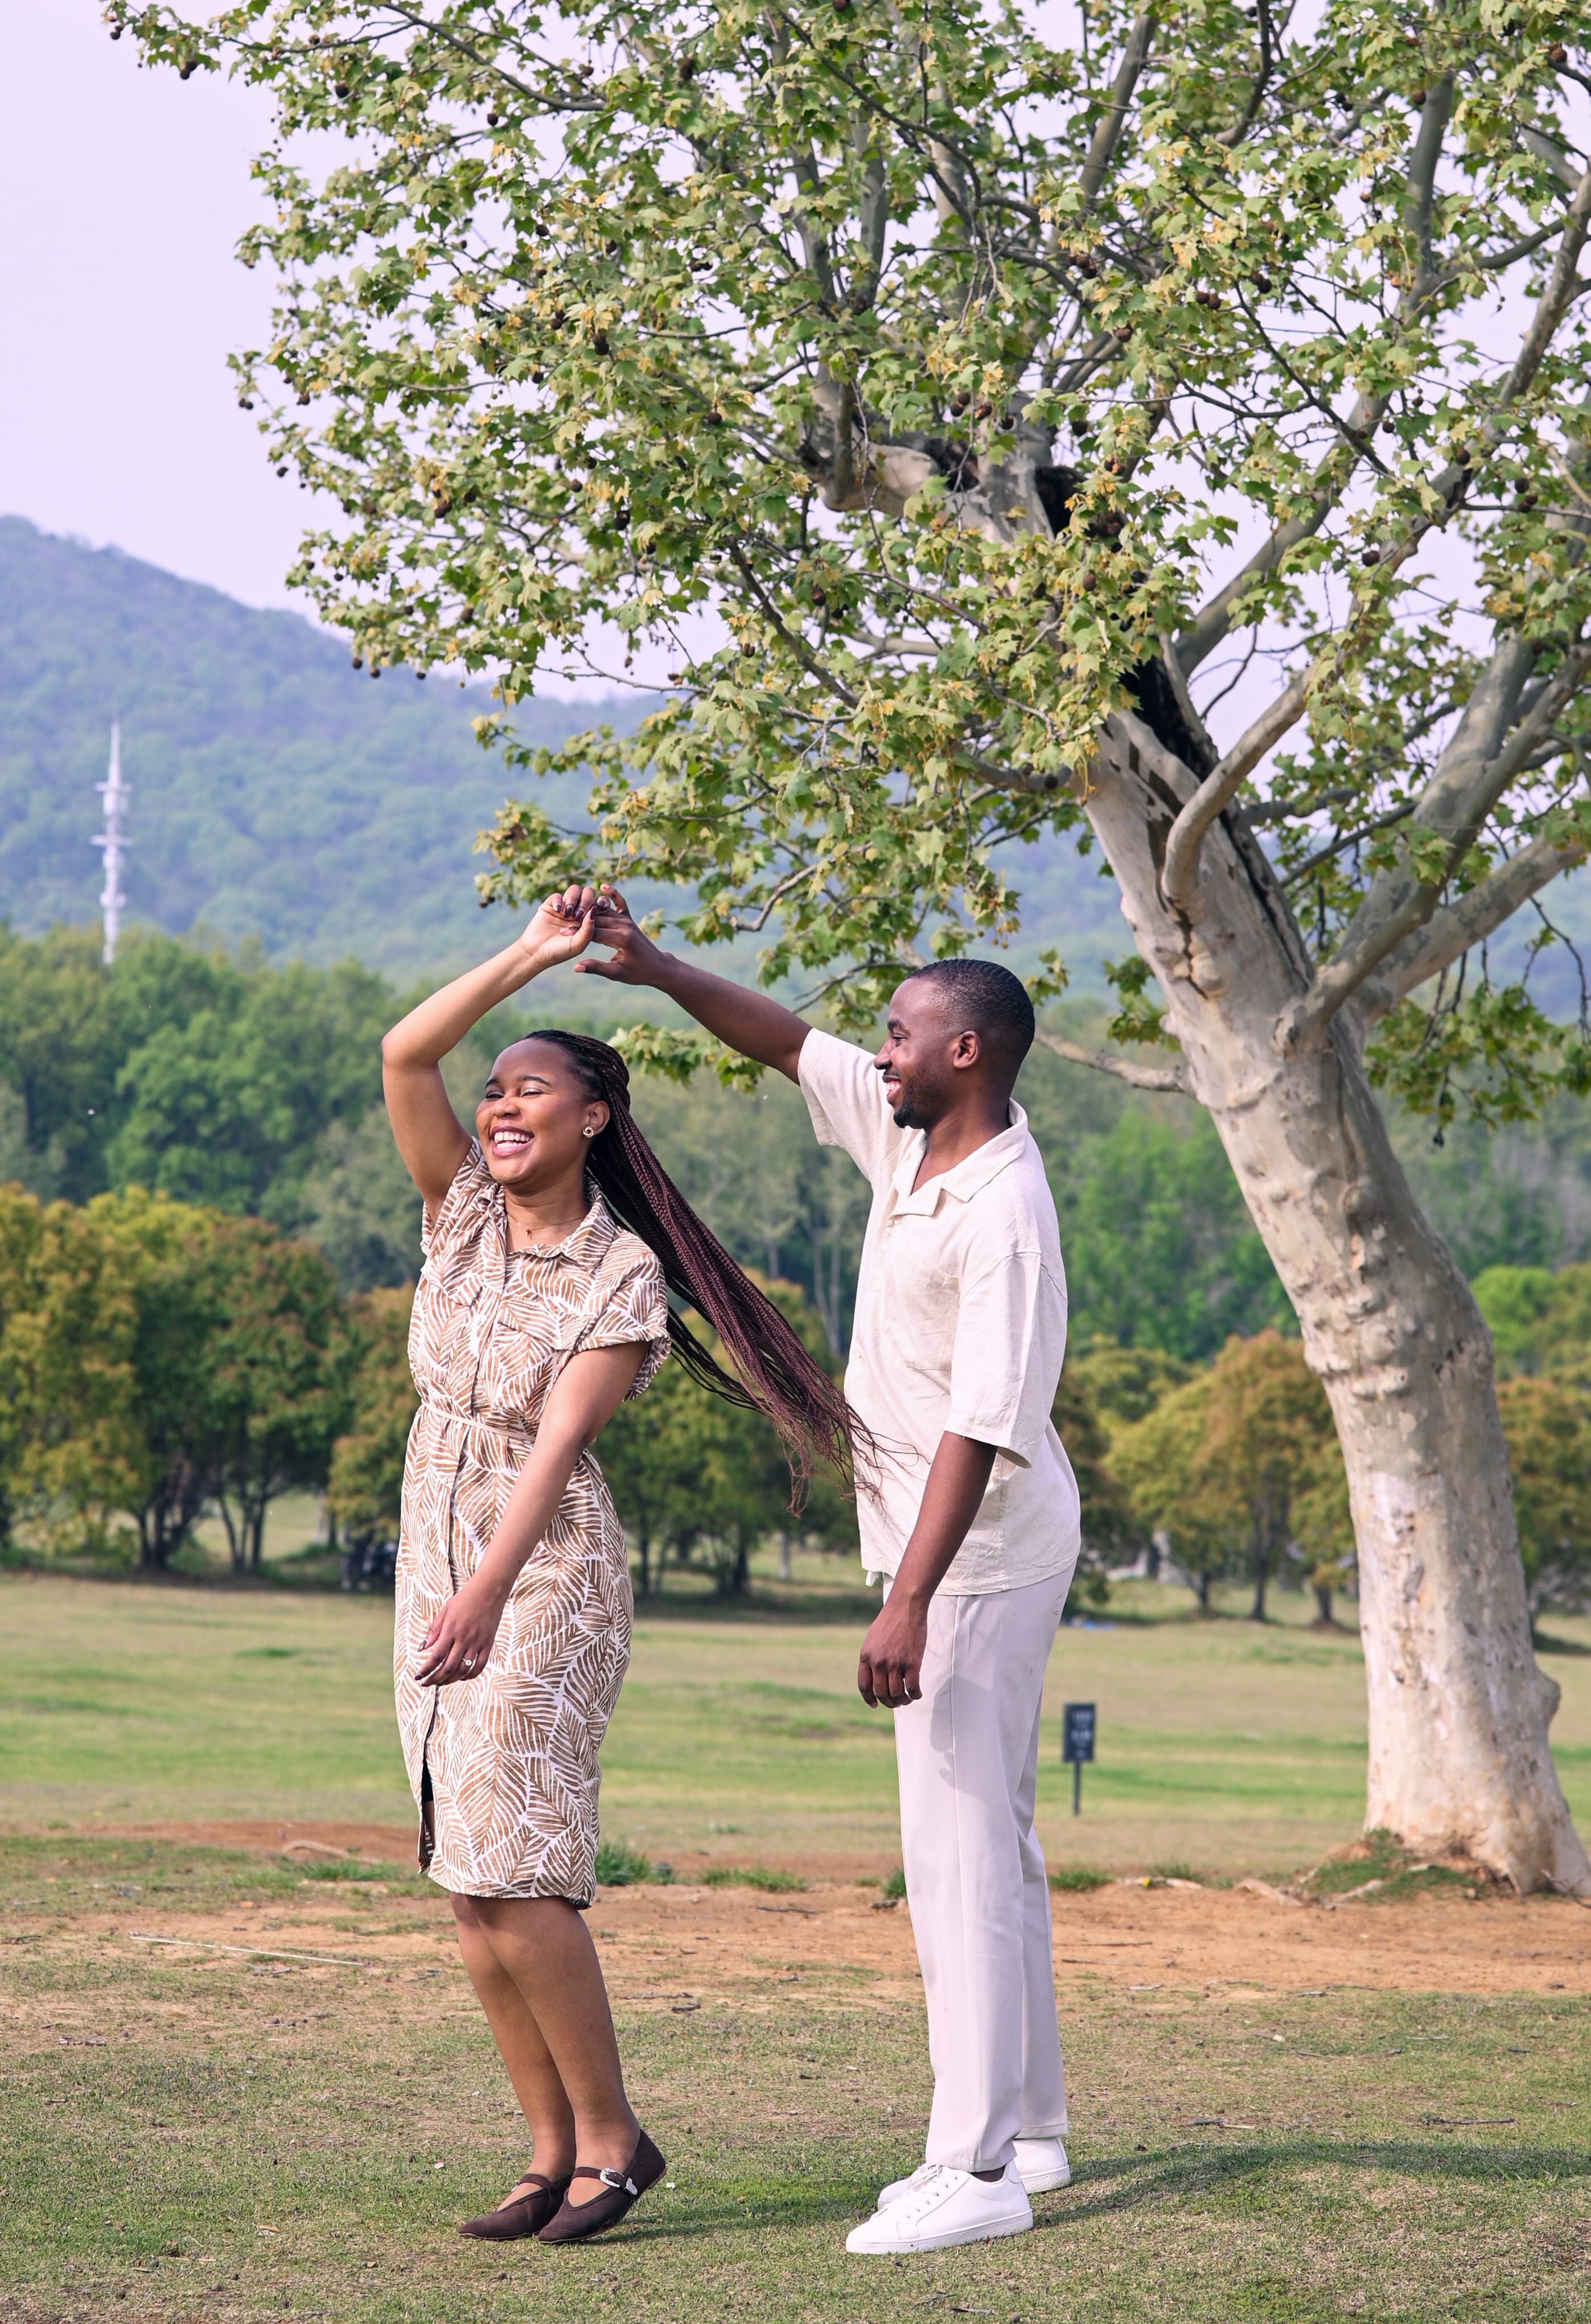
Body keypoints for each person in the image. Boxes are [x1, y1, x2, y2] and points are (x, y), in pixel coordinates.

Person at [579, 887, 1080, 2257]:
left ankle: (973, 2167)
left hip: (972, 1561)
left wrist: (908, 1598)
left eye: (904, 1032)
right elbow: (785, 1041)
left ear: (965, 1052)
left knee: (960, 1854)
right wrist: (654, 964)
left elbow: (987, 1423)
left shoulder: (1006, 1211)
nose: (882, 1049)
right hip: (946, 1553)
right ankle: (1032, 2125)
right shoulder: (913, 1138)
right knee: (999, 1845)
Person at [381, 886, 859, 2247]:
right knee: (465, 1874)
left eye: (534, 1088)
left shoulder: (621, 1273)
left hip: (541, 1574)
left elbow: (555, 1451)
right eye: (498, 1092)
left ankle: (616, 2137)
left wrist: (484, 1594)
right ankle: (545, 2152)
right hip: (436, 1545)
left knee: (521, 1862)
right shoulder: (459, 1214)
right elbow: (404, 1054)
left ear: (598, 1116)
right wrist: (529, 957)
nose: (500, 1105)